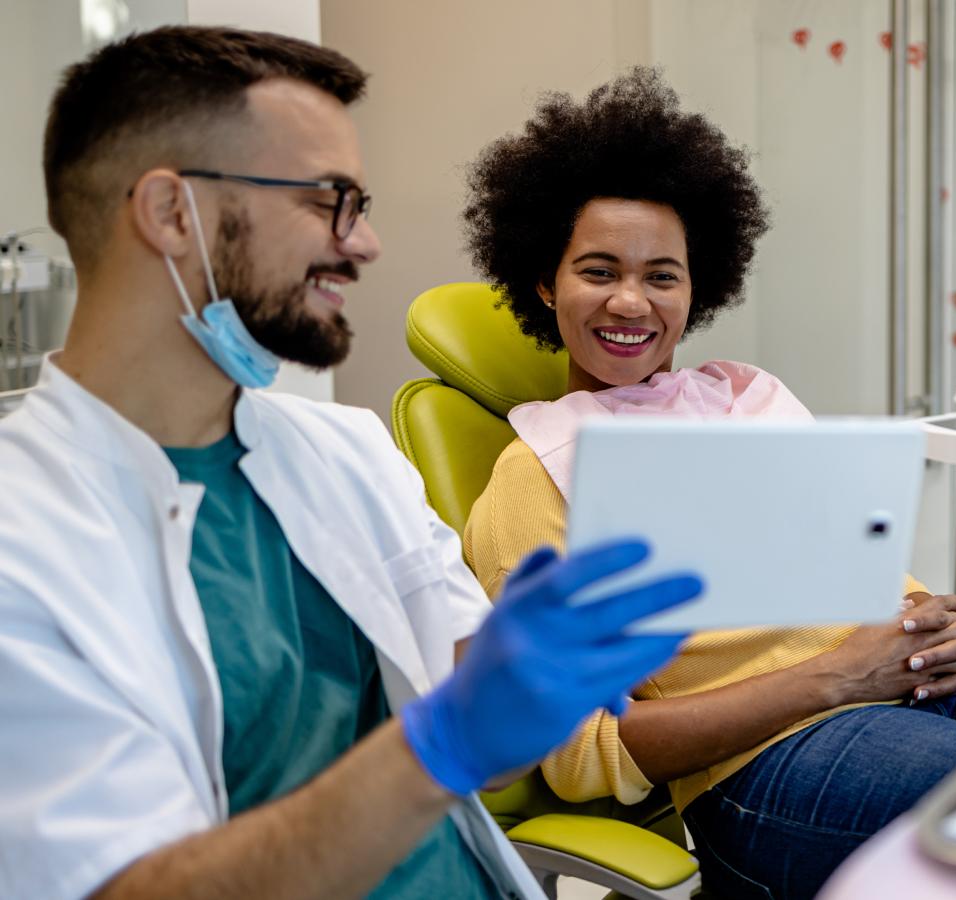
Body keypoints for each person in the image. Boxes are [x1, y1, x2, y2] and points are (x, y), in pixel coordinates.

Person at [0, 27, 701, 900]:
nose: (363, 244)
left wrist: (559, 670)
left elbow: (482, 686)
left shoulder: (347, 452)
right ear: (172, 213)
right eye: (328, 200)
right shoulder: (21, 545)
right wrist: (436, 748)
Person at [460, 68, 956, 900]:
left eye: (662, 275)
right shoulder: (534, 474)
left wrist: (933, 622)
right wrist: (840, 679)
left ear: (697, 291)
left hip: (906, 697)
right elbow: (582, 754)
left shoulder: (748, 396)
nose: (632, 300)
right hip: (765, 768)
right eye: (598, 270)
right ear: (545, 281)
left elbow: (860, 570)